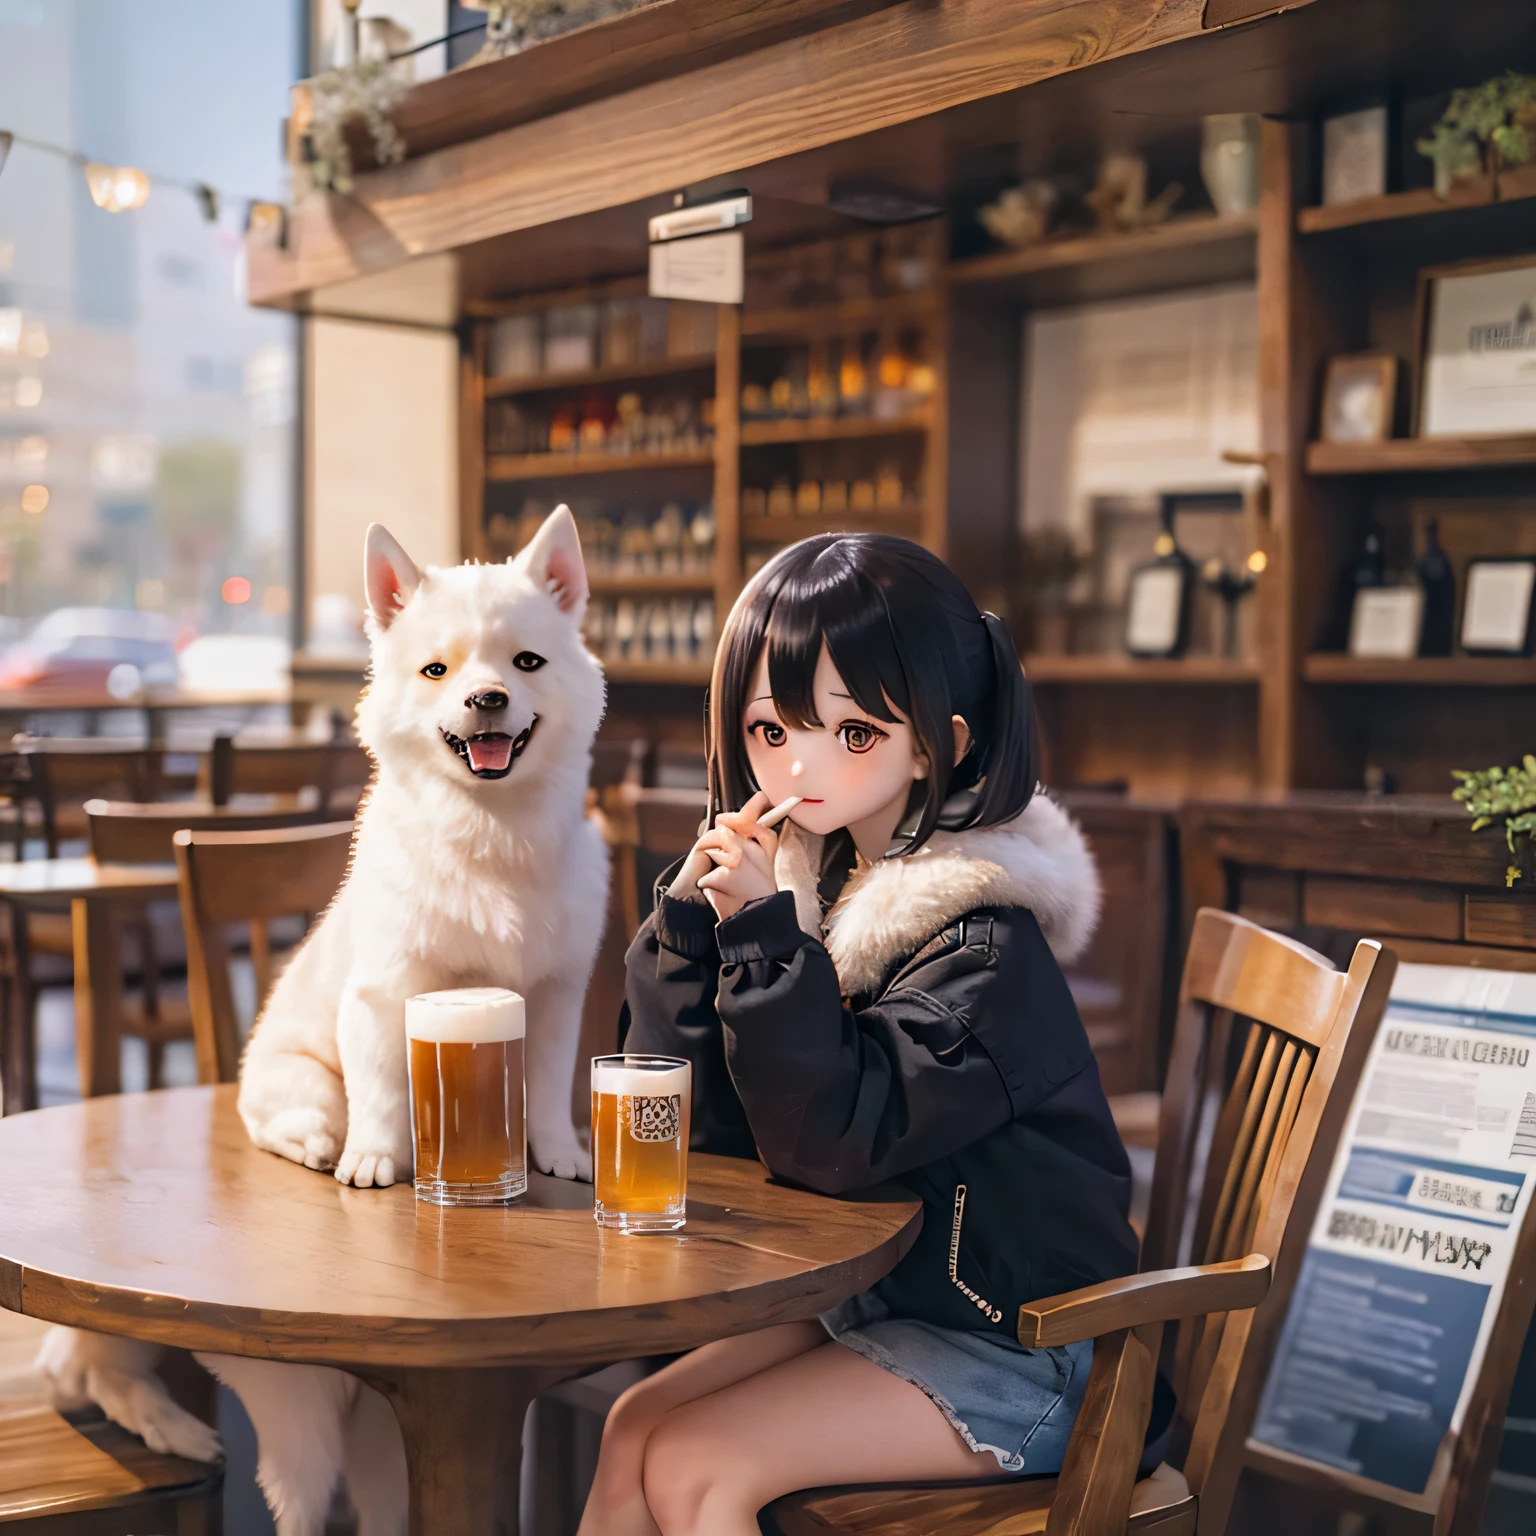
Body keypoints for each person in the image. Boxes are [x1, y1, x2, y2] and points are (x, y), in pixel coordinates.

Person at [578, 534, 1150, 1536]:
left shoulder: (985, 951)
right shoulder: (823, 892)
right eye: (769, 728)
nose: (797, 765)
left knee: (697, 1469)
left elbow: (831, 1137)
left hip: (1034, 1349)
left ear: (940, 743)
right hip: (897, 1303)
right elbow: (706, 1125)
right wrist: (685, 932)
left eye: (852, 733)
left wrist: (760, 941)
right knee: (634, 1427)